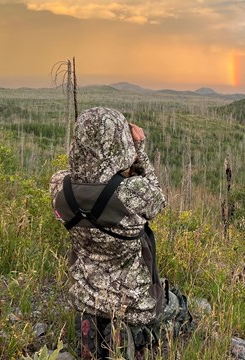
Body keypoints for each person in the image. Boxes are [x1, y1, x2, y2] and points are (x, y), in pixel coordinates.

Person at [49, 107, 167, 359]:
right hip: (133, 302)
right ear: (118, 142)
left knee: (93, 309)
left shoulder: (60, 186)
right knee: (178, 309)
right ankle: (129, 338)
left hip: (86, 297)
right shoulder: (130, 192)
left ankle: (93, 332)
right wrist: (140, 152)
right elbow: (157, 200)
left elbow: (85, 178)